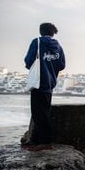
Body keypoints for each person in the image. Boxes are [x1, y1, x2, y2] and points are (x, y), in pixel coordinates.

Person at [23, 22, 66, 151]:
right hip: (50, 83)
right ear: (53, 32)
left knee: (38, 113)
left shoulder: (37, 42)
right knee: (42, 112)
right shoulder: (58, 45)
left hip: (38, 82)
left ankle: (45, 142)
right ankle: (35, 141)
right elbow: (62, 64)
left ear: (41, 31)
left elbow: (28, 60)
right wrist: (51, 67)